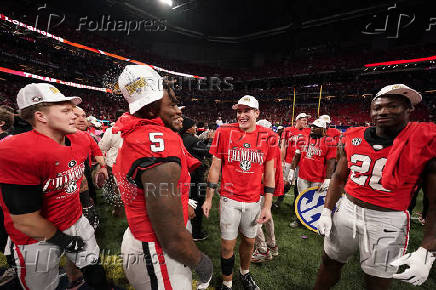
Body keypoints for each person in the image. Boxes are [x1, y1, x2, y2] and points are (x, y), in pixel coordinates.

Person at [315, 84, 436, 289]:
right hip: (347, 210)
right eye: (378, 107)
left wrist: (427, 250)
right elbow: (338, 177)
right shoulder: (354, 137)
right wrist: (327, 211)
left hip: (387, 218)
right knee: (329, 261)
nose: (383, 111)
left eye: (393, 106)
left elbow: (435, 204)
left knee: (377, 279)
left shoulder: (424, 141)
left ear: (409, 110)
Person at [0, 83, 109, 290]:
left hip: (75, 218)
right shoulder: (17, 150)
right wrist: (65, 241)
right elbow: (25, 220)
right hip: (35, 236)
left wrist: (98, 174)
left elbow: (80, 175)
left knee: (96, 271)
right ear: (41, 116)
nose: (75, 116)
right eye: (66, 110)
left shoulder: (80, 139)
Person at [112, 65, 213, 290]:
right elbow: (173, 239)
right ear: (150, 109)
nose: (179, 111)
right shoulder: (157, 144)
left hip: (143, 239)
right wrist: (203, 264)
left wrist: (179, 204)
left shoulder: (136, 130)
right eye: (173, 104)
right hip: (158, 251)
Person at [203, 95, 276, 290]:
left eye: (247, 111)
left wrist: (267, 206)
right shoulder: (224, 132)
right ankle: (227, 282)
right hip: (229, 199)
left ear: (257, 113)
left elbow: (270, 173)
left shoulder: (269, 136)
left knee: (249, 241)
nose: (242, 115)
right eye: (239, 111)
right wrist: (209, 198)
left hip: (253, 200)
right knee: (227, 245)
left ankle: (245, 273)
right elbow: (215, 167)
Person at [251, 119, 283, 263]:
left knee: (254, 219)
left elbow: (268, 174)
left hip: (261, 188)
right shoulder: (273, 144)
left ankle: (262, 250)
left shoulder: (268, 146)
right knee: (267, 218)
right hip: (266, 188)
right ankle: (272, 245)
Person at [180, 117, 214, 241]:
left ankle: (187, 229)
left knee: (187, 202)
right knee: (198, 202)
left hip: (184, 176)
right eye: (194, 126)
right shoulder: (192, 139)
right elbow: (209, 152)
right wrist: (210, 139)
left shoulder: (180, 138)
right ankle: (196, 233)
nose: (196, 128)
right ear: (189, 128)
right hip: (196, 177)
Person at [274, 113, 310, 211]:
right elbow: (283, 147)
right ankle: (279, 201)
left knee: (298, 184)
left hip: (301, 163)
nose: (306, 122)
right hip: (289, 161)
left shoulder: (308, 131)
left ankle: (295, 204)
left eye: (306, 120)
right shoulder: (288, 130)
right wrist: (282, 161)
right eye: (303, 120)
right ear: (297, 120)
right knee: (285, 183)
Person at [99, 109, 125, 217]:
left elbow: (102, 147)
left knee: (116, 188)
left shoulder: (111, 130)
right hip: (128, 163)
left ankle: (118, 210)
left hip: (114, 163)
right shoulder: (134, 129)